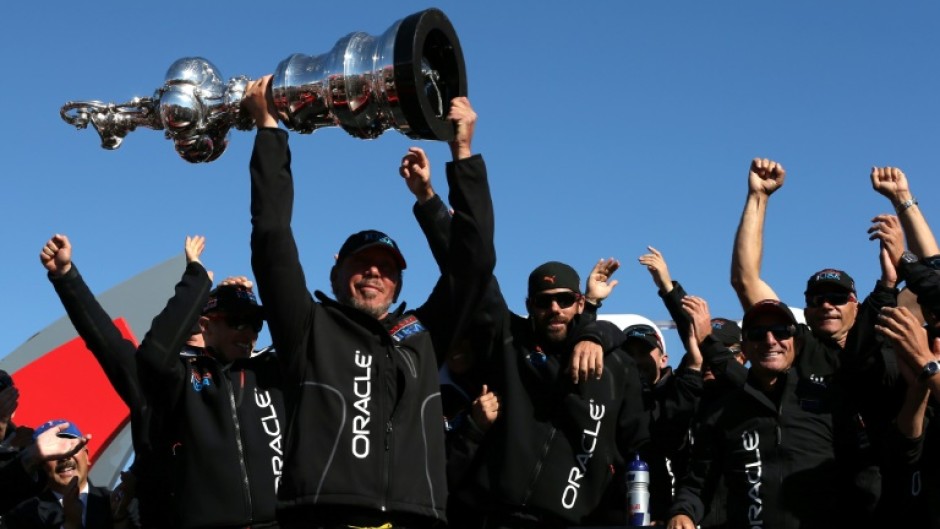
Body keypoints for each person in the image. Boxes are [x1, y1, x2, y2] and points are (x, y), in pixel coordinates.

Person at [244, 72, 495, 529]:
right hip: (323, 516)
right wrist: (269, 133)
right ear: (337, 270)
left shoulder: (420, 334)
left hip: (414, 519)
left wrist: (462, 154)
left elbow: (474, 265)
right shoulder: (309, 326)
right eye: (363, 263)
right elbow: (271, 238)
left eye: (387, 266)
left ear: (399, 282)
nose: (375, 272)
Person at [667, 299, 869, 529]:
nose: (770, 340)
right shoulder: (721, 413)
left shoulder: (829, 401)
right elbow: (697, 484)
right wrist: (683, 512)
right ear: (744, 349)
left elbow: (863, 474)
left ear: (798, 345)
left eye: (781, 332)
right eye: (757, 333)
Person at [134, 237, 284, 529]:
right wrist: (197, 282)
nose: (248, 333)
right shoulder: (186, 375)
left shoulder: (271, 371)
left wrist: (238, 300)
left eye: (255, 324)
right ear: (206, 326)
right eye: (237, 321)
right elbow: (153, 355)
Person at [1, 419, 135, 529]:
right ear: (39, 463)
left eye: (70, 447)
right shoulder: (20, 514)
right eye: (54, 452)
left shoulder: (122, 503)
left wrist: (120, 519)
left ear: (86, 455)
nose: (64, 457)